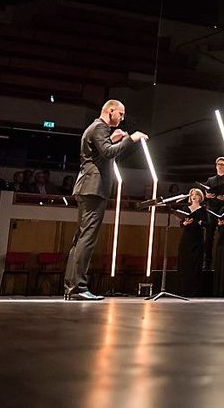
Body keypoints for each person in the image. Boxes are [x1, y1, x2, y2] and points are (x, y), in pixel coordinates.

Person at [64, 99, 147, 300]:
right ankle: (79, 288)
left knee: (81, 238)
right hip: (93, 189)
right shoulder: (99, 127)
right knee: (87, 238)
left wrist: (115, 139)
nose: (122, 118)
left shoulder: (97, 129)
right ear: (110, 111)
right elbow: (108, 153)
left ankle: (71, 287)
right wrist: (131, 139)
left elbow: (102, 154)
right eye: (121, 113)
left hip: (88, 188)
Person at [203, 157, 224, 270]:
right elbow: (205, 193)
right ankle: (207, 262)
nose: (220, 166)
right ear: (216, 166)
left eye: (222, 164)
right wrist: (207, 195)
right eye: (218, 164)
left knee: (223, 235)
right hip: (211, 209)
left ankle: (223, 261)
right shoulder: (210, 180)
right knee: (209, 236)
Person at [176, 188, 208, 297]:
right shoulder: (185, 208)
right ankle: (184, 289)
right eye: (192, 195)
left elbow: (207, 224)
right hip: (186, 238)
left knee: (195, 264)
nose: (194, 196)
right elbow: (181, 223)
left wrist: (200, 222)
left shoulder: (203, 210)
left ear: (200, 197)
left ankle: (195, 290)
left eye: (196, 195)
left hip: (197, 239)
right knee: (185, 263)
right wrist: (185, 223)